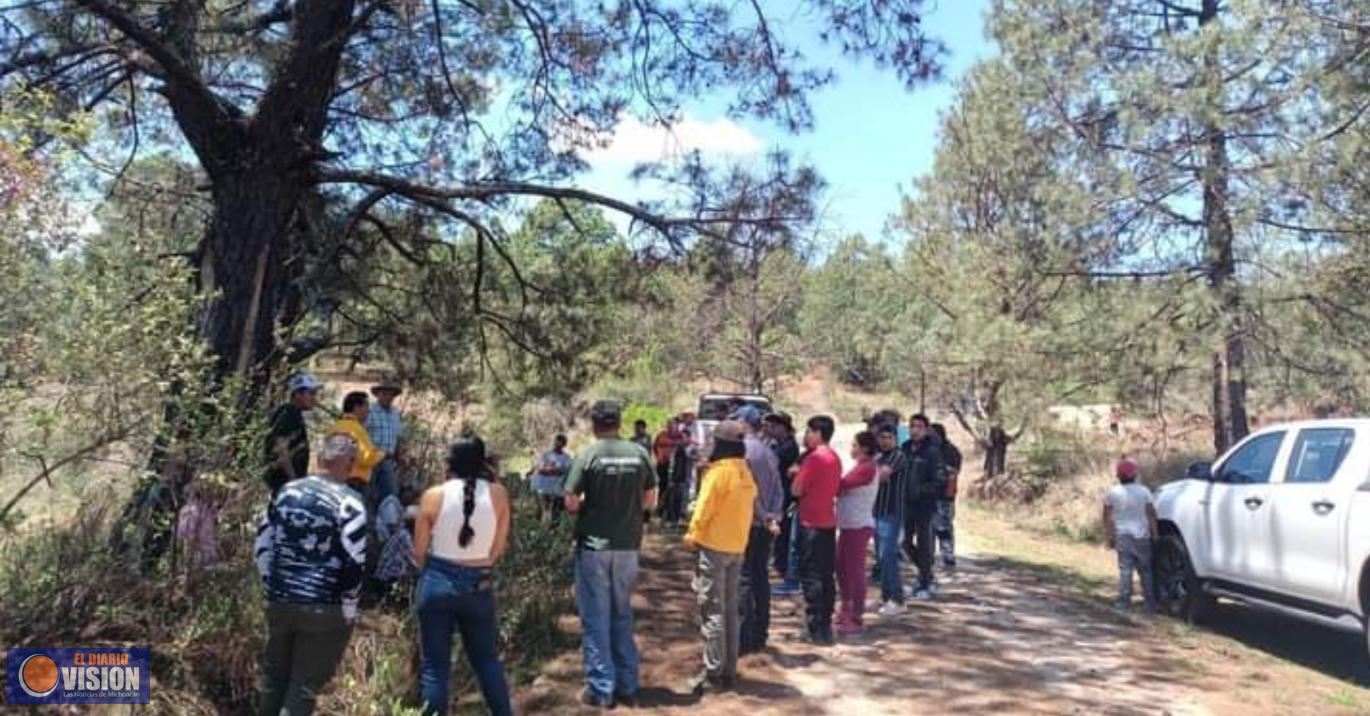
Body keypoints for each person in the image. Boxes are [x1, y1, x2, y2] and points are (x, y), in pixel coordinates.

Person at [255, 433, 367, 716]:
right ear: (350, 464)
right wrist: (350, 607)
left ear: (320, 459)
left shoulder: (284, 493)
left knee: (274, 678)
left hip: (279, 601)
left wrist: (271, 586)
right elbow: (355, 561)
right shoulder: (350, 503)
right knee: (303, 685)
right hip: (324, 607)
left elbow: (262, 543)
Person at [564, 401, 657, 709]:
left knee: (595, 617)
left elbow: (571, 502)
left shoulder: (588, 455)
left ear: (594, 424)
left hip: (594, 546)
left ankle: (602, 689)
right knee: (621, 613)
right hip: (628, 545)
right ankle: (628, 684)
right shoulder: (639, 453)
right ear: (619, 422)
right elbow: (649, 499)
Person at [412, 435, 514, 716]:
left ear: (449, 462)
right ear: (483, 462)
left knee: (434, 667)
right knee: (486, 661)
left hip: (437, 580)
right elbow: (497, 549)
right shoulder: (499, 494)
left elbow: (419, 552)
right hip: (478, 581)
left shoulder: (433, 496)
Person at [684, 420, 756, 695]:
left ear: (721, 444)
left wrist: (692, 536)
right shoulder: (744, 472)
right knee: (728, 611)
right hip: (737, 548)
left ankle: (714, 674)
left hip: (714, 549)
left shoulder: (718, 474)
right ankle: (729, 671)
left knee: (713, 612)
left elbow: (703, 510)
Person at [735, 407, 783, 654]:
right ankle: (761, 633)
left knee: (744, 579)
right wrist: (774, 516)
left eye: (738, 420)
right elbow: (779, 489)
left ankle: (745, 637)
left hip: (751, 523)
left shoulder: (744, 451)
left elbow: (748, 491)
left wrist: (763, 516)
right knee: (760, 577)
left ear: (745, 423)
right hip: (766, 524)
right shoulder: (768, 451)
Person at [791, 415, 841, 645]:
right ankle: (825, 625)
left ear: (819, 433)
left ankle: (815, 627)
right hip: (828, 523)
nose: (806, 436)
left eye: (809, 431)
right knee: (825, 575)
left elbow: (797, 489)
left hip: (810, 523)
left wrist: (795, 475)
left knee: (811, 576)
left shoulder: (814, 459)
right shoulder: (834, 457)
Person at [835, 431, 879, 635]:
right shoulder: (860, 467)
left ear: (864, 448)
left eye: (854, 445)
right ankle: (846, 606)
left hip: (858, 525)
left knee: (854, 570)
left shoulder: (867, 468)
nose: (851, 448)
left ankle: (856, 614)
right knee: (842, 567)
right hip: (848, 524)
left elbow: (841, 485)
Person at [1105, 457, 1159, 611]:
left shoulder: (1113, 493)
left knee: (1125, 569)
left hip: (1123, 535)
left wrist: (1110, 536)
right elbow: (1151, 514)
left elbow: (1107, 516)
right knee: (1146, 570)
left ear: (1118, 476)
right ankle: (1150, 602)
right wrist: (1155, 534)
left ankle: (1123, 601)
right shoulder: (1145, 491)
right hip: (1142, 536)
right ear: (1135, 475)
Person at [901, 413, 944, 600]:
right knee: (905, 543)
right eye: (912, 426)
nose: (914, 430)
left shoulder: (932, 452)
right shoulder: (905, 449)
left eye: (919, 426)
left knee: (925, 544)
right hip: (906, 504)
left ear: (926, 430)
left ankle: (924, 581)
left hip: (926, 506)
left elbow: (940, 479)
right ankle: (927, 573)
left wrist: (922, 489)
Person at [263, 372, 322, 494]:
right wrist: (293, 480)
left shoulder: (295, 414)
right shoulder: (288, 413)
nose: (314, 398)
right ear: (297, 394)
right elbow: (281, 448)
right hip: (283, 482)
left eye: (315, 393)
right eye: (311, 393)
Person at [764, 412, 802, 593]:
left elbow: (770, 461)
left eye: (772, 426)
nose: (769, 430)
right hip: (778, 494)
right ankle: (781, 565)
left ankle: (786, 570)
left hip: (786, 495)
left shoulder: (787, 447)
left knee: (784, 533)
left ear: (783, 427)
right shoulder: (777, 445)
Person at [873, 424, 908, 615]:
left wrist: (872, 473)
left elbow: (881, 475)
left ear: (895, 439)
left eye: (889, 437)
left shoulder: (898, 456)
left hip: (891, 511)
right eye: (882, 437)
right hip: (877, 511)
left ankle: (897, 598)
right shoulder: (879, 457)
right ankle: (886, 597)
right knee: (881, 557)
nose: (885, 441)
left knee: (888, 555)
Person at [334, 391, 386, 491]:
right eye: (366, 406)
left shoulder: (335, 427)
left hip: (335, 479)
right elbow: (365, 458)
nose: (368, 410)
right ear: (357, 408)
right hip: (355, 480)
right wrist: (382, 455)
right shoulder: (356, 429)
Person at [365, 380, 405, 505]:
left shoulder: (395, 413)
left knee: (390, 493)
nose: (388, 396)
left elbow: (397, 436)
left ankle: (385, 521)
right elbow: (362, 433)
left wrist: (399, 456)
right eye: (385, 393)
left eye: (391, 394)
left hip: (388, 459)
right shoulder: (369, 411)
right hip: (371, 459)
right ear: (378, 394)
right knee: (368, 492)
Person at [931, 423, 963, 568]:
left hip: (945, 495)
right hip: (928, 495)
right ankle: (928, 555)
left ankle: (948, 554)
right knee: (928, 527)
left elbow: (953, 473)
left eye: (934, 434)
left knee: (944, 527)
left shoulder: (951, 451)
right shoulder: (927, 449)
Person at [532, 435, 572, 523]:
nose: (557, 444)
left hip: (558, 488)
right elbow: (540, 469)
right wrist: (552, 471)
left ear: (564, 444)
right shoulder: (546, 455)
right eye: (556, 442)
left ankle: (554, 527)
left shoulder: (566, 458)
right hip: (544, 486)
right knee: (543, 508)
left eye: (560, 442)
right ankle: (539, 526)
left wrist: (553, 471)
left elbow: (565, 472)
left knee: (557, 509)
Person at [652, 419, 683, 521]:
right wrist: (659, 456)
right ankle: (661, 509)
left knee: (674, 488)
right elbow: (654, 446)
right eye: (669, 425)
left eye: (673, 425)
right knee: (662, 486)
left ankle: (672, 512)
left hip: (676, 466)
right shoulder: (661, 435)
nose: (671, 427)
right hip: (662, 464)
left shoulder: (680, 436)